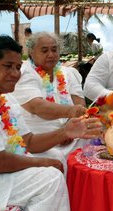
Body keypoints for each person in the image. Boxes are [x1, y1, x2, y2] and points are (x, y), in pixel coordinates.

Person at [0, 36, 101, 211]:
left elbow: (28, 142)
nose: (15, 73)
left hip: (4, 166)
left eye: (18, 67)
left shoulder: (7, 99)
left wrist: (66, 132)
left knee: (57, 157)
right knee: (50, 179)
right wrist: (41, 162)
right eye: (7, 66)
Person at [10, 32, 88, 162]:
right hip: (40, 143)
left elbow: (80, 104)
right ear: (31, 52)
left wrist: (70, 128)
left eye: (54, 49)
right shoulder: (24, 73)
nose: (51, 54)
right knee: (55, 160)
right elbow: (38, 107)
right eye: (44, 50)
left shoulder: (68, 73)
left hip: (73, 138)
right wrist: (68, 117)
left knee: (92, 145)